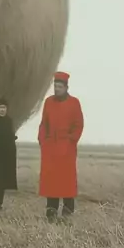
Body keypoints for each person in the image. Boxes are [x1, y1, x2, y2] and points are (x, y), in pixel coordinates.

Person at [38, 71, 84, 222]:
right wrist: (43, 141)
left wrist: (71, 140)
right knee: (51, 181)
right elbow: (44, 124)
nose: (57, 89)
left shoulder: (74, 103)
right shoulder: (48, 102)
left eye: (60, 87)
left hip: (66, 148)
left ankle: (67, 212)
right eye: (55, 86)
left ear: (66, 87)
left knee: (66, 181)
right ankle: (51, 212)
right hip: (50, 147)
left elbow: (78, 124)